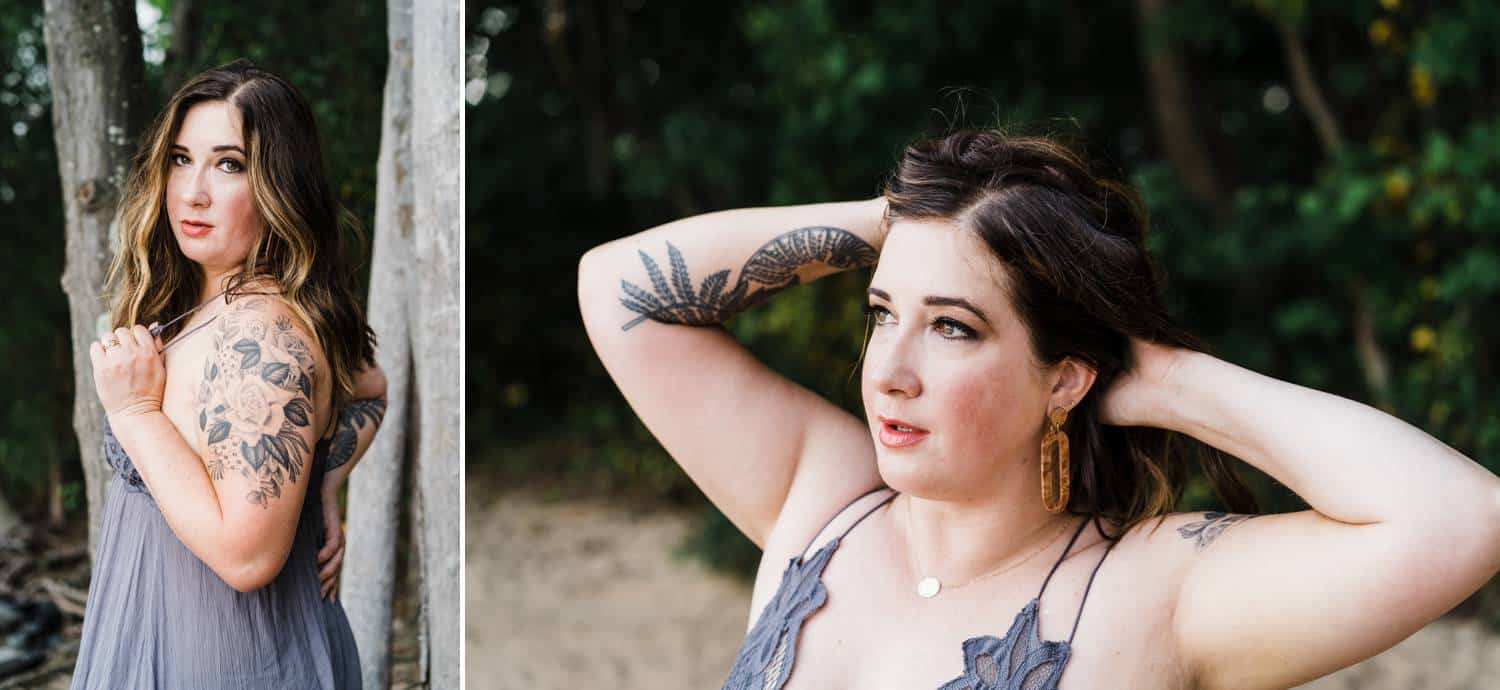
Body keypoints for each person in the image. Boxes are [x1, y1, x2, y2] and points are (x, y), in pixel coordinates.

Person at [577, 129, 1500, 689]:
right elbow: (617, 289)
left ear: (1066, 378)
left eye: (953, 329)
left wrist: (1170, 382)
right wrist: (905, 216)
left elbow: (1462, 519)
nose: (888, 371)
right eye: (882, 313)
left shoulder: (1153, 592)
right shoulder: (823, 504)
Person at [70, 59, 387, 690]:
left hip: (230, 659)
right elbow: (370, 385)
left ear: (280, 184)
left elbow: (248, 557)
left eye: (229, 164)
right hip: (163, 637)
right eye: (182, 158)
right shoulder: (202, 304)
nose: (192, 191)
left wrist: (136, 415)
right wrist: (319, 478)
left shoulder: (260, 330)